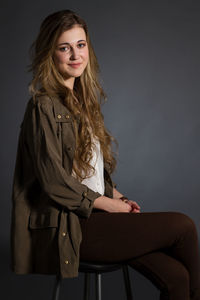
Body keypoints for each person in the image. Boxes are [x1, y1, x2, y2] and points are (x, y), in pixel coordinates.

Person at [10, 9, 200, 300]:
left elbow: (88, 173)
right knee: (184, 226)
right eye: (65, 48)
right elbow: (54, 182)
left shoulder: (82, 102)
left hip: (98, 217)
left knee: (177, 277)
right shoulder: (43, 107)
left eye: (81, 45)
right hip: (73, 226)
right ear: (51, 53)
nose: (76, 55)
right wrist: (109, 206)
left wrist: (117, 197)